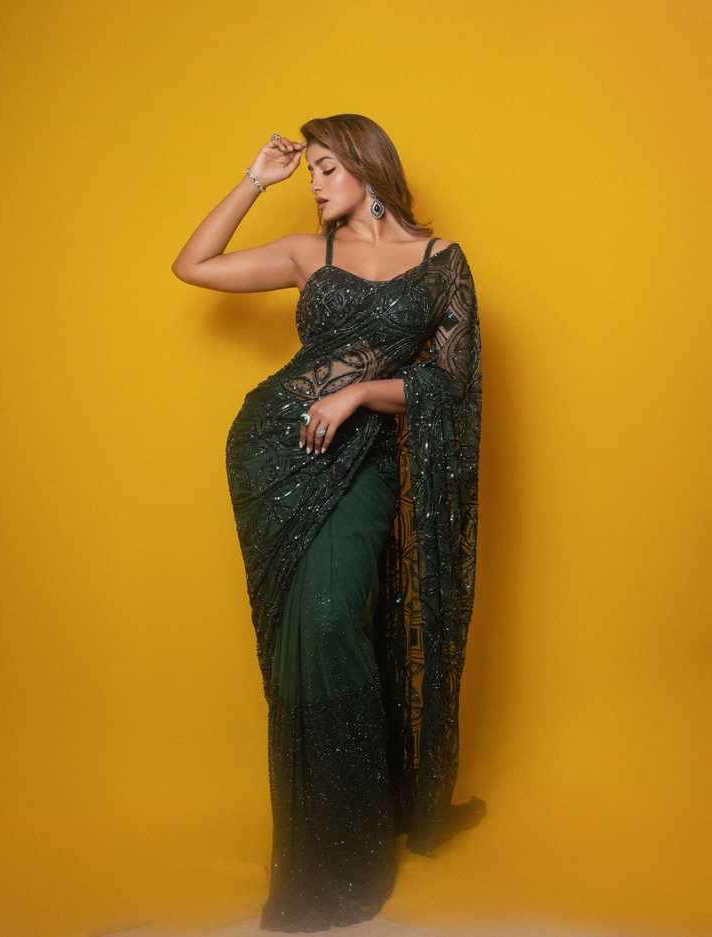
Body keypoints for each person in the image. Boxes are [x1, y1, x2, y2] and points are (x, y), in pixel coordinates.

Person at [171, 113, 482, 932]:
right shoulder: (310, 255)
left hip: (363, 457)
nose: (311, 183)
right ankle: (321, 844)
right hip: (274, 452)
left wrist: (359, 393)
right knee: (301, 636)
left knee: (333, 618)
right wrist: (255, 180)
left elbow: (449, 385)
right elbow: (193, 265)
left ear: (367, 165)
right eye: (307, 170)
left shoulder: (441, 262)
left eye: (323, 168)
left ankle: (352, 844)